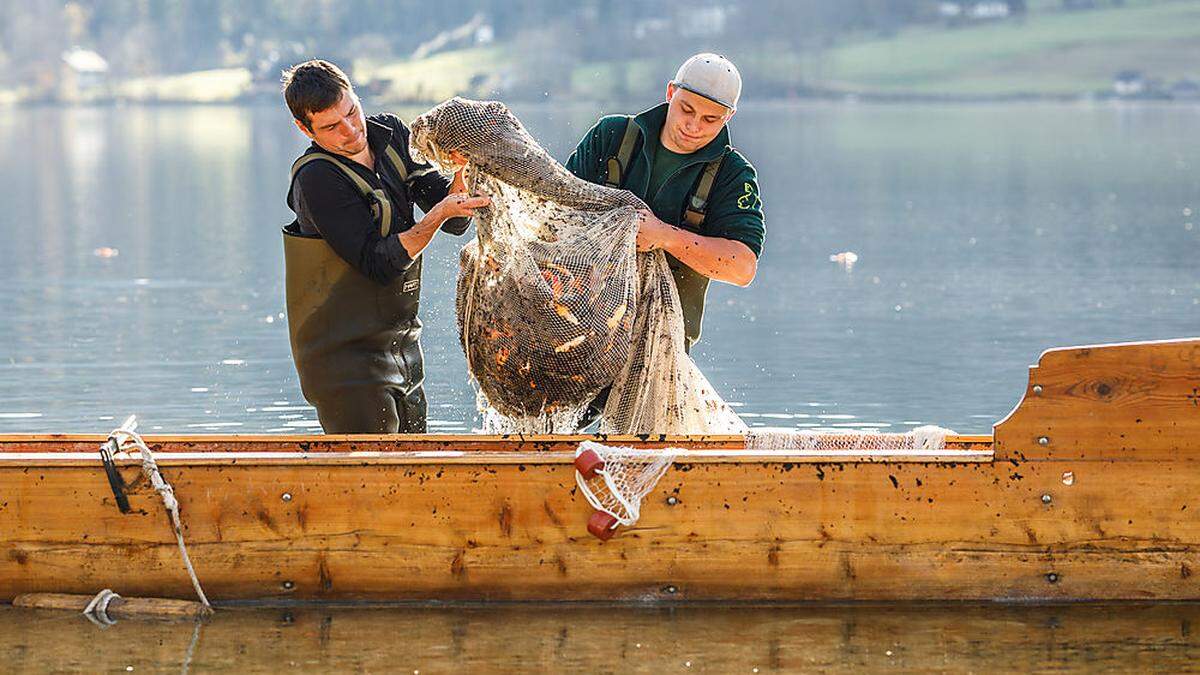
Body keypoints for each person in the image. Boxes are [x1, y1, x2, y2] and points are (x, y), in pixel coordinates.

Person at [281, 59, 488, 433]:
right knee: (375, 474)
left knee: (418, 464)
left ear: (356, 97)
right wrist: (434, 218)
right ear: (304, 128)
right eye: (331, 126)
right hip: (342, 358)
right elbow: (378, 264)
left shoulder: (390, 133)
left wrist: (462, 172)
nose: (350, 131)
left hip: (403, 343)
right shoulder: (316, 180)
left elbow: (455, 219)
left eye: (351, 112)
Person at [565, 53, 764, 426]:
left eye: (710, 120)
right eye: (686, 110)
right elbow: (556, 214)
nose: (693, 126)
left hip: (659, 351)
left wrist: (665, 237)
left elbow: (742, 267)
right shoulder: (612, 137)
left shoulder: (732, 175)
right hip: (577, 333)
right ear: (670, 92)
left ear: (728, 117)